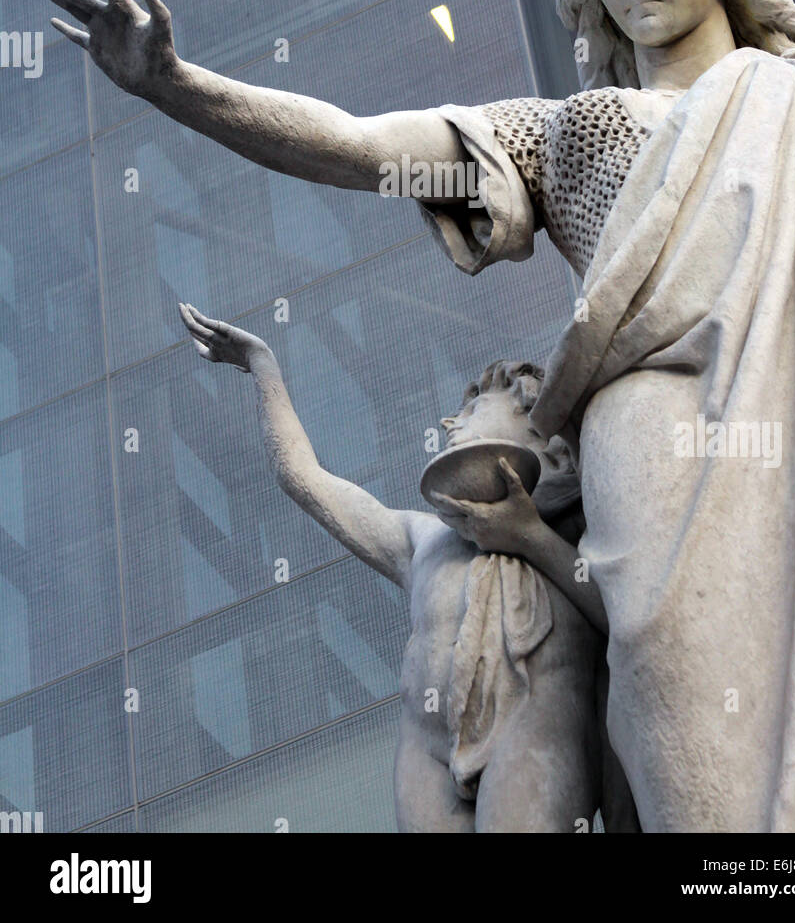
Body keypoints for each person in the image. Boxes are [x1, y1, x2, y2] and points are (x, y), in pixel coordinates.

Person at [30, 0, 795, 831]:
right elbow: (362, 146)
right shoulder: (565, 132)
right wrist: (177, 87)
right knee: (679, 700)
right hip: (651, 454)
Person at [177, 302, 637, 833]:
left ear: (547, 446)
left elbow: (631, 627)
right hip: (426, 749)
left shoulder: (580, 539)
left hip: (537, 730)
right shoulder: (423, 540)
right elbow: (303, 477)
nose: (448, 421)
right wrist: (264, 370)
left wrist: (527, 536)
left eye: (470, 411)